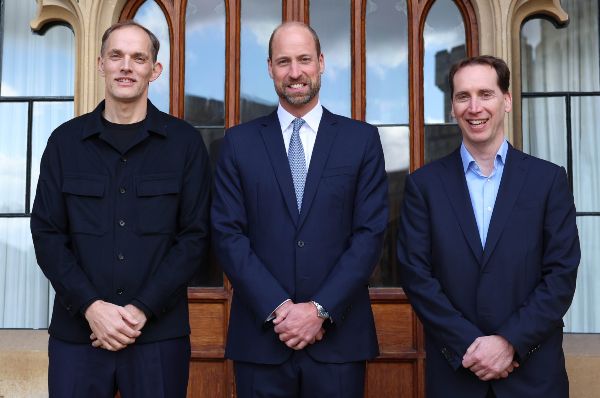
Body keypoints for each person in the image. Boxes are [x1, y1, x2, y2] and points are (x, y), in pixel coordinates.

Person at [30, 21, 211, 398]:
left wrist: (141, 310)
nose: (126, 66)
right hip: (78, 337)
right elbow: (47, 234)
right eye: (116, 56)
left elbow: (195, 237)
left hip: (158, 337)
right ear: (100, 64)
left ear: (154, 70)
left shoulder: (185, 144)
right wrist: (92, 307)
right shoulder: (64, 143)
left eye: (138, 58)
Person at [211, 21, 388, 397]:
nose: (295, 72)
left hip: (339, 341)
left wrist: (319, 309)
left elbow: (369, 235)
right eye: (284, 61)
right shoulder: (238, 143)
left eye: (304, 59)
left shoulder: (361, 140)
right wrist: (279, 309)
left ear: (321, 62)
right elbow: (228, 235)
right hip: (262, 341)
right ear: (270, 68)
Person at [397, 55, 580, 398]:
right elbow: (415, 275)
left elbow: (561, 274)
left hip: (533, 376)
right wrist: (470, 345)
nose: (474, 107)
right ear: (452, 107)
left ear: (507, 100)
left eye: (486, 94)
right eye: (463, 96)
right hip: (456, 376)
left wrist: (510, 343)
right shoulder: (424, 186)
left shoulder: (547, 180)